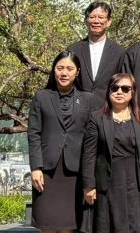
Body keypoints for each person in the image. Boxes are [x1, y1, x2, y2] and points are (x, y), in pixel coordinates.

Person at [27, 51, 97, 232]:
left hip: (75, 170)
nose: (64, 73)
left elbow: (91, 139)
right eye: (60, 68)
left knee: (69, 225)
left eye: (69, 69)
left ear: (77, 72)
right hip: (46, 171)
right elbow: (33, 134)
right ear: (54, 70)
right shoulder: (41, 97)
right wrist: (35, 168)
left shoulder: (88, 99)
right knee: (47, 224)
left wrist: (90, 176)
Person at [82, 73, 140, 232]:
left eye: (125, 89)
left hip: (135, 182)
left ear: (133, 92)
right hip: (108, 182)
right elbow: (89, 154)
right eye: (115, 88)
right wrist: (88, 185)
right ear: (108, 91)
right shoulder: (96, 118)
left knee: (135, 225)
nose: (119, 92)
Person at [68, 1, 126, 102]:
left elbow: (124, 83)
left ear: (109, 22)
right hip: (78, 106)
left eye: (101, 17)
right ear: (86, 21)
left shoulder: (119, 52)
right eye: (92, 17)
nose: (96, 21)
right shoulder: (73, 50)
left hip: (108, 107)